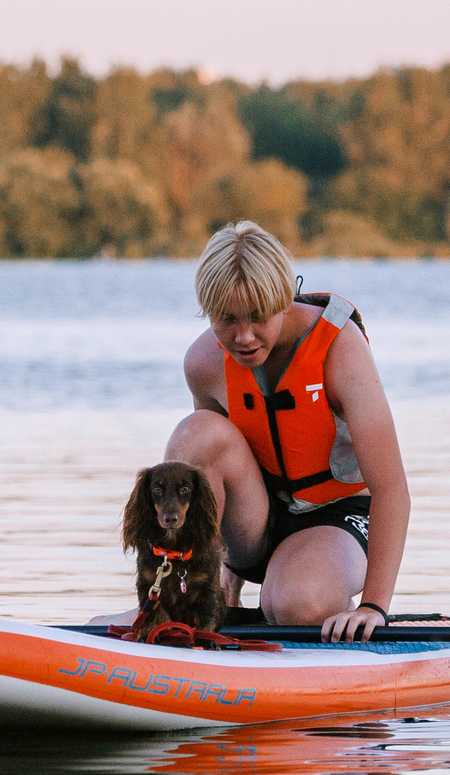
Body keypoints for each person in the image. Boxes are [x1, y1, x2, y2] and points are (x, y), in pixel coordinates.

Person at [155, 221, 409, 642]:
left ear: (282, 299)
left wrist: (374, 607)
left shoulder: (341, 351)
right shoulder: (202, 363)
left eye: (258, 317)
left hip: (336, 516)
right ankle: (181, 596)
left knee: (294, 605)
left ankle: (323, 596)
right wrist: (224, 577)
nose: (244, 337)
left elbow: (391, 488)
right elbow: (207, 483)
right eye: (227, 320)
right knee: (196, 434)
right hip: (255, 523)